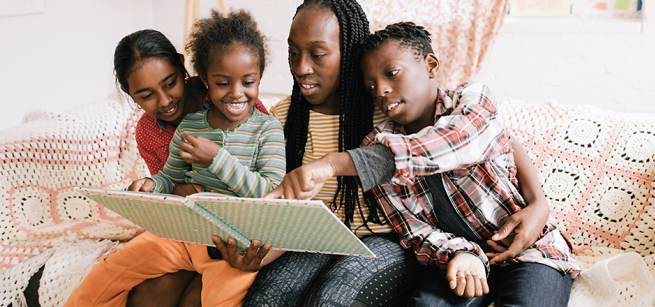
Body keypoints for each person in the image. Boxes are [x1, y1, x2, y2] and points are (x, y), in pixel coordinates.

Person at [245, 1, 550, 306]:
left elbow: (484, 139)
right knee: (266, 298)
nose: (301, 67)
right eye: (292, 53)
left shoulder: (413, 110)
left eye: (318, 54)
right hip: (329, 238)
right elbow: (276, 196)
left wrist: (538, 203)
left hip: (390, 240)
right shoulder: (358, 128)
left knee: (330, 298)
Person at [64, 10, 285, 307]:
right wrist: (151, 186)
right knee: (110, 271)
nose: (236, 93)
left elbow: (272, 193)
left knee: (218, 297)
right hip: (184, 231)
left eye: (247, 82)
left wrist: (216, 159)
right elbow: (170, 179)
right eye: (146, 95)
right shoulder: (191, 125)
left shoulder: (263, 124)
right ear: (206, 79)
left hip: (232, 242)